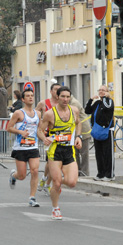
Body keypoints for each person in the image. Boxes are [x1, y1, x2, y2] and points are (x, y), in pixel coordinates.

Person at [37, 86, 82, 220]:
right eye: (62, 96)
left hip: (69, 150)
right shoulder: (50, 114)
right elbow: (40, 130)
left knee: (72, 182)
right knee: (56, 183)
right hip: (55, 152)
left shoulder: (74, 111)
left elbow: (78, 123)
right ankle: (55, 208)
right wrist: (45, 139)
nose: (65, 99)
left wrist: (78, 137)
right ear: (57, 97)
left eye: (68, 97)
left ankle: (54, 188)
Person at [7, 88, 41, 207]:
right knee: (22, 175)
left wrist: (46, 137)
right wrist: (21, 132)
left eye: (32, 95)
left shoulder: (38, 114)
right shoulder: (18, 113)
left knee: (35, 171)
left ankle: (32, 197)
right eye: (28, 96)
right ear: (23, 99)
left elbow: (39, 130)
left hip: (33, 147)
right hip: (20, 148)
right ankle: (13, 175)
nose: (31, 97)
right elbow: (9, 128)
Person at [35, 82, 61, 195]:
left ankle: (46, 182)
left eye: (59, 90)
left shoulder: (63, 103)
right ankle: (45, 179)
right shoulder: (43, 103)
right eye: (55, 89)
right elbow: (35, 115)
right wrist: (40, 126)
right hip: (48, 136)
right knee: (51, 162)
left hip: (61, 135)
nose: (57, 92)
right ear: (51, 91)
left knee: (57, 163)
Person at [85, 85, 115, 181]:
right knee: (99, 153)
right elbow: (87, 110)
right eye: (100, 90)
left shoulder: (109, 101)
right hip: (97, 131)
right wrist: (91, 99)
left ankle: (109, 175)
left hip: (106, 130)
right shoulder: (97, 103)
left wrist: (106, 97)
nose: (101, 92)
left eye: (103, 90)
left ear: (107, 92)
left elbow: (107, 107)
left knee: (108, 153)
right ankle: (100, 173)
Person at [69, 95, 91, 177]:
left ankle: (85, 173)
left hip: (83, 130)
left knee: (84, 153)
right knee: (75, 153)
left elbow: (72, 118)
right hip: (75, 130)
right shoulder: (70, 102)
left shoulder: (74, 103)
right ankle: (77, 171)